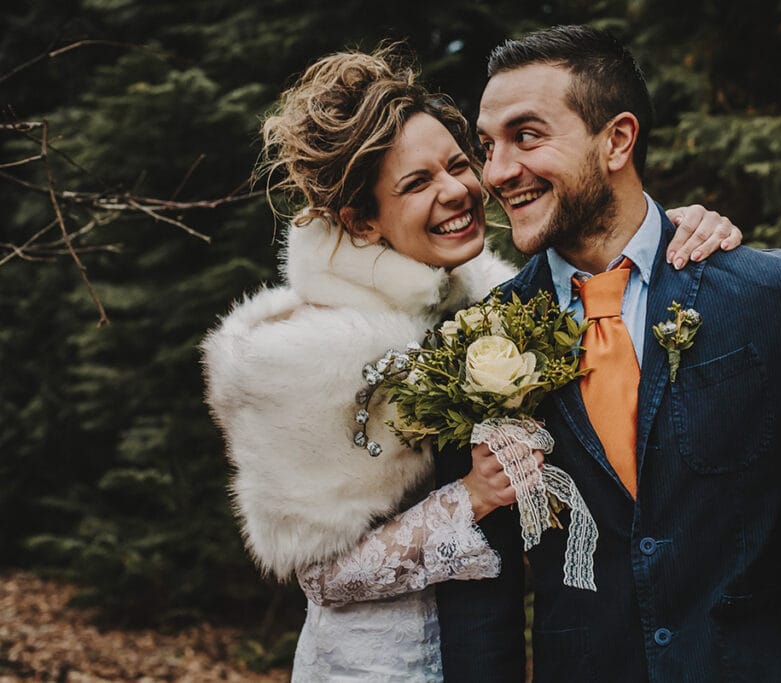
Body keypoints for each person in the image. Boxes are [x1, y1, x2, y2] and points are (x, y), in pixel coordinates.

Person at [199, 45, 741, 681]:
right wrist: (471, 499)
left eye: (458, 164)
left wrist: (679, 231)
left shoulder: (495, 299)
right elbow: (325, 578)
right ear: (363, 223)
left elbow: (613, 253)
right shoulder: (305, 357)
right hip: (377, 664)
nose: (458, 190)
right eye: (416, 183)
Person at [433, 25, 781, 683]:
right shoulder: (486, 338)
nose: (497, 171)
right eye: (488, 145)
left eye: (526, 136)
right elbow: (483, 583)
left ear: (617, 139)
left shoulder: (767, 295)